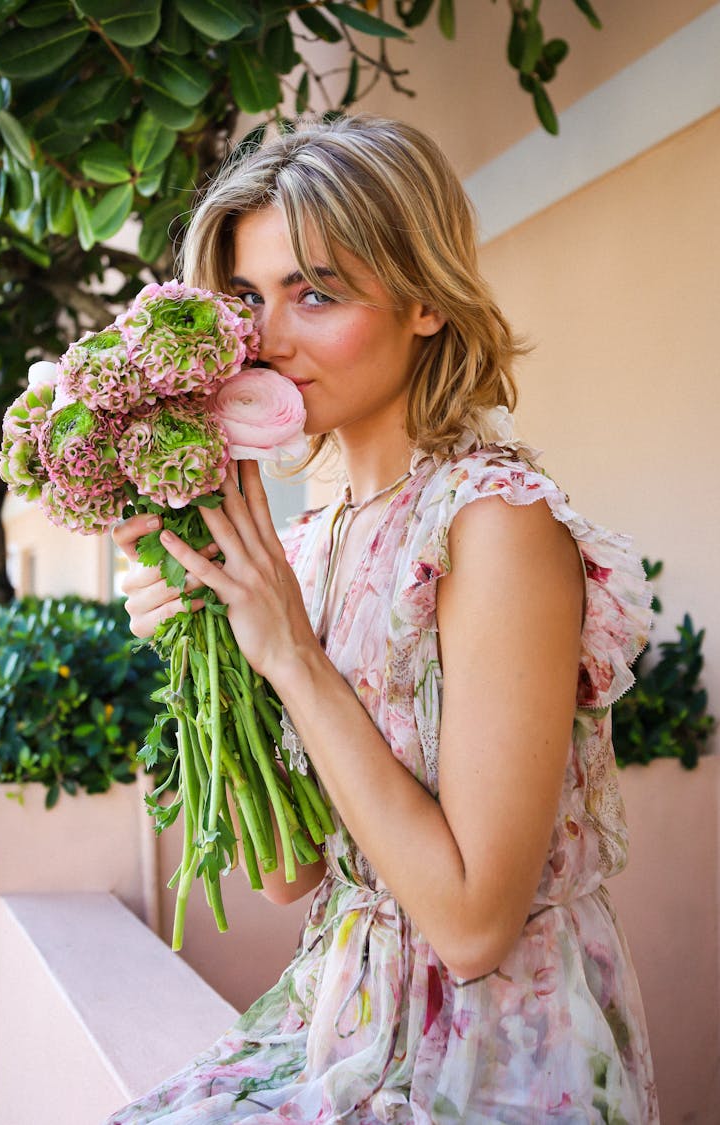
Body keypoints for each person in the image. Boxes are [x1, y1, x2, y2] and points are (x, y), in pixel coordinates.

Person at [107, 114, 658, 1123]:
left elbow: (471, 926)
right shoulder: (311, 543)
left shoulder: (492, 527)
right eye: (245, 298)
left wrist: (291, 655)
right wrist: (211, 653)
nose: (267, 339)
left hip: (494, 1057)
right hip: (341, 1020)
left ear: (424, 305)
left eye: (316, 293)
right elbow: (291, 873)